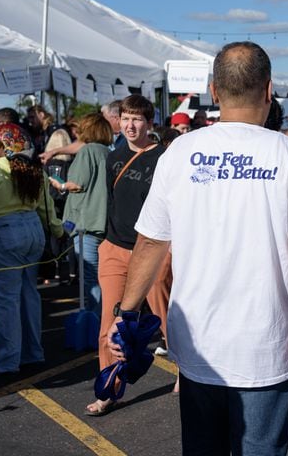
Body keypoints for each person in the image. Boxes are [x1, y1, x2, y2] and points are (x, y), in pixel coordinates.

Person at [105, 41, 288, 455]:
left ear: (213, 90)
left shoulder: (181, 152)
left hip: (198, 346)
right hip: (267, 344)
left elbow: (151, 242)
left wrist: (125, 312)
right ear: (268, 91)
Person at [84, 95, 168, 416]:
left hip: (154, 249)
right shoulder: (113, 157)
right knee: (109, 327)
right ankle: (109, 389)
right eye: (125, 119)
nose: (130, 125)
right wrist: (106, 243)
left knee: (166, 317)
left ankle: (185, 374)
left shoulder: (163, 158)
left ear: (149, 123)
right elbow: (111, 203)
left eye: (137, 119)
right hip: (116, 249)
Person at [0, 124, 62, 373]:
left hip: (4, 236)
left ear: (0, 146)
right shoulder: (36, 173)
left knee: (6, 300)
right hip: (33, 232)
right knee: (28, 294)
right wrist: (58, 232)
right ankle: (32, 352)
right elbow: (48, 211)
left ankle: (7, 359)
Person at [48, 114, 112, 316]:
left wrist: (61, 185)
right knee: (101, 276)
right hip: (103, 221)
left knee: (91, 277)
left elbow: (77, 184)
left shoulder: (88, 152)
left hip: (86, 223)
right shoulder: (108, 152)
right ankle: (101, 319)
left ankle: (96, 322)